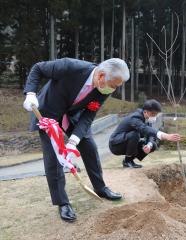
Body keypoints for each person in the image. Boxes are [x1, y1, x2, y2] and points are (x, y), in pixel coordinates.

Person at [22, 57, 130, 222]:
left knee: (89, 146)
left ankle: (100, 188)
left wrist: (73, 142)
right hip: (49, 113)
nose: (114, 89)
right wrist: (30, 93)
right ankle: (62, 203)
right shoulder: (70, 67)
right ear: (101, 76)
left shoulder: (103, 89)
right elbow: (38, 68)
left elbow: (88, 116)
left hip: (72, 114)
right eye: (114, 85)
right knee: (53, 157)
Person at [109, 99, 181, 168]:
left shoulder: (147, 119)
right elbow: (144, 128)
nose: (154, 116)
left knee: (153, 145)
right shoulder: (135, 118)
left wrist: (149, 145)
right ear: (145, 111)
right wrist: (164, 135)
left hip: (127, 143)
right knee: (135, 134)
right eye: (153, 114)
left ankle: (129, 161)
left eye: (156, 114)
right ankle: (127, 161)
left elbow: (150, 134)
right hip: (116, 145)